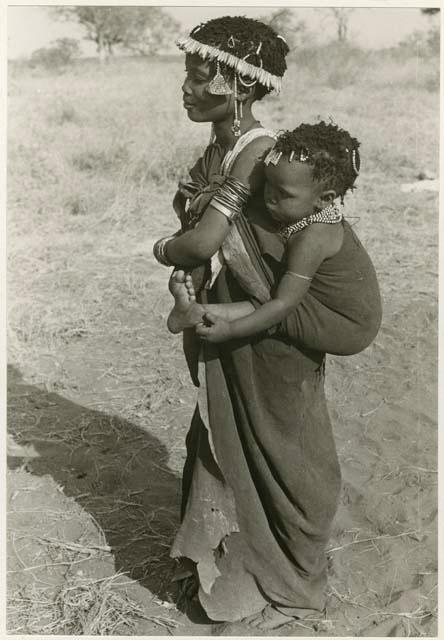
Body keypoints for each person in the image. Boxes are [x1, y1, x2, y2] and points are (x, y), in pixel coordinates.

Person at [153, 16, 381, 630]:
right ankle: (234, 583)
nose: (187, 88)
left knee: (287, 450)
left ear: (237, 85)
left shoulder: (259, 154)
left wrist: (166, 252)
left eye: (199, 78)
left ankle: (297, 586)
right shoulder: (223, 150)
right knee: (226, 445)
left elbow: (206, 242)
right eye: (188, 76)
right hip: (244, 327)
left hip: (275, 334)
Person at [171, 122, 381, 352]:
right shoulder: (313, 214)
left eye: (283, 193)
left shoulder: (313, 239)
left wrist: (231, 331)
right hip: (335, 311)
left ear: (324, 199)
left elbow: (282, 304)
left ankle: (202, 314)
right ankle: (194, 313)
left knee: (275, 301)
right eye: (268, 183)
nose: (269, 196)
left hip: (346, 328)